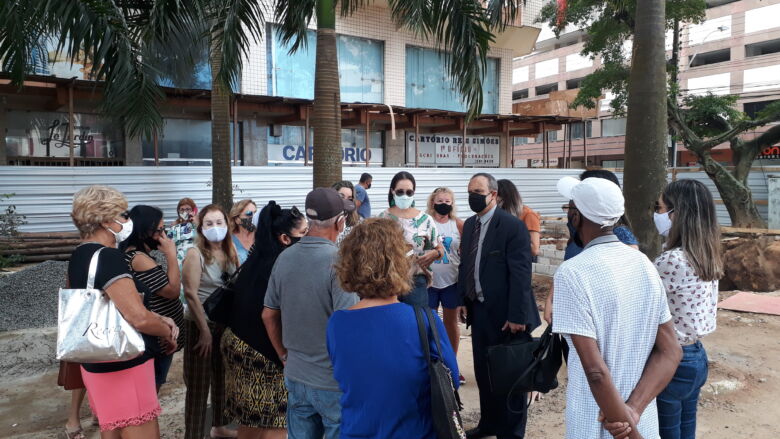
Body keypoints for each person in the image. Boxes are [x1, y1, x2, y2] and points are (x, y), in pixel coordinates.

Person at [552, 176, 682, 439]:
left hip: (595, 420)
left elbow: (596, 371)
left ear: (576, 217)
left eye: (569, 209)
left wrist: (627, 430)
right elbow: (671, 351)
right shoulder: (643, 263)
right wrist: (633, 411)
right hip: (639, 418)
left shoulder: (572, 273)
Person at [327, 218, 460, 439]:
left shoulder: (337, 323)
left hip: (356, 431)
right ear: (400, 263)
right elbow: (451, 380)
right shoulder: (425, 320)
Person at [68, 185, 178, 438]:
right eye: (123, 215)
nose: (127, 221)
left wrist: (158, 318)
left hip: (96, 359)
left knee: (113, 429)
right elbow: (137, 317)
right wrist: (166, 331)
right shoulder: (108, 257)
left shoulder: (80, 254)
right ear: (107, 220)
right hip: (125, 363)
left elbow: (117, 304)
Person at [262, 188, 358, 439]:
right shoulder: (340, 262)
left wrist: (283, 355)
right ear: (339, 222)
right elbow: (347, 325)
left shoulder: (284, 257)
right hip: (331, 381)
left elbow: (268, 315)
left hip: (295, 374)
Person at [458, 173, 539, 439]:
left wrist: (518, 315)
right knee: (484, 373)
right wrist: (463, 300)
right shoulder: (470, 225)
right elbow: (466, 265)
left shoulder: (511, 226)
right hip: (479, 311)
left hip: (508, 316)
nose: (473, 195)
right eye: (470, 190)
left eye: (478, 190)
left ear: (493, 194)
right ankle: (489, 424)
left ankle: (512, 433)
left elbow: (521, 274)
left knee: (510, 377)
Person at [222, 202, 308, 439]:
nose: (308, 238)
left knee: (250, 419)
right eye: (303, 233)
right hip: (261, 352)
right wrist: (284, 355)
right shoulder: (283, 265)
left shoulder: (258, 257)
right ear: (284, 238)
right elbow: (269, 315)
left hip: (237, 343)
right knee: (277, 422)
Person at [654, 179, 722, 439]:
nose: (657, 215)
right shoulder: (706, 253)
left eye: (660, 208)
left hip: (671, 360)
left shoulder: (671, 260)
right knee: (685, 430)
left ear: (677, 213)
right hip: (696, 357)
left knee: (666, 432)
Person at [544, 169, 639, 326]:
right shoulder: (579, 235)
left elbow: (629, 281)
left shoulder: (620, 234)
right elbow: (567, 268)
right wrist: (551, 298)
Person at [181, 204, 239, 439]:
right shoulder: (195, 254)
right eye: (209, 223)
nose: (215, 228)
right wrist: (204, 331)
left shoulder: (230, 249)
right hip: (199, 325)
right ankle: (193, 434)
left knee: (221, 378)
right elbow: (191, 294)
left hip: (223, 324)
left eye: (219, 223)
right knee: (198, 385)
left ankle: (219, 426)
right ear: (201, 227)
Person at [121, 205, 186, 391]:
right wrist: (172, 256)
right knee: (152, 387)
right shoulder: (138, 258)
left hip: (160, 335)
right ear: (143, 231)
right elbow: (172, 291)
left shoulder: (138, 254)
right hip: (158, 339)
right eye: (159, 230)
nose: (163, 235)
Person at [378, 171, 444, 307]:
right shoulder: (382, 218)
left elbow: (439, 249)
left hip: (416, 281)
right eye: (400, 191)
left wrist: (435, 253)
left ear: (414, 193)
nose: (404, 195)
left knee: (417, 323)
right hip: (388, 281)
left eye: (409, 192)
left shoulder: (425, 220)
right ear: (393, 191)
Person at [426, 186, 465, 384]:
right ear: (433, 202)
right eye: (439, 201)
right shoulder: (425, 222)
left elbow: (466, 253)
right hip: (429, 282)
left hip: (452, 281)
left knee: (451, 323)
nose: (443, 204)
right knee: (429, 323)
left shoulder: (458, 225)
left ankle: (452, 365)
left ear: (452, 203)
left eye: (447, 201)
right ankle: (432, 364)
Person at [496, 179, 541, 258]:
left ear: (504, 197)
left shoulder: (528, 215)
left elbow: (534, 249)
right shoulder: (499, 215)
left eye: (495, 196)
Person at [168, 198, 199, 269]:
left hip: (196, 259)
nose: (185, 212)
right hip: (179, 262)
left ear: (193, 210)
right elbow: (169, 246)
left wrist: (197, 223)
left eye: (188, 209)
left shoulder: (199, 225)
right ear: (178, 211)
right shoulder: (174, 227)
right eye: (182, 209)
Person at [229, 199, 258, 265]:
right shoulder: (229, 240)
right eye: (249, 213)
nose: (253, 217)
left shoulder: (262, 236)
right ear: (237, 220)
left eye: (255, 213)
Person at [332, 181, 361, 246]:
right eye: (341, 197)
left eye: (349, 198)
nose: (345, 201)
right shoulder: (323, 221)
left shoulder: (356, 225)